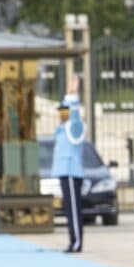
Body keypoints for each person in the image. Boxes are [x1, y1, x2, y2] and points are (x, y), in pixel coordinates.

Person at [53, 75, 87, 253]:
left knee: (74, 209)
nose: (62, 114)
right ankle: (73, 240)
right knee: (69, 209)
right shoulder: (61, 130)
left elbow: (74, 118)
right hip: (64, 172)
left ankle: (76, 242)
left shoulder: (76, 127)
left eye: (64, 111)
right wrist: (67, 95)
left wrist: (73, 96)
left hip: (72, 172)